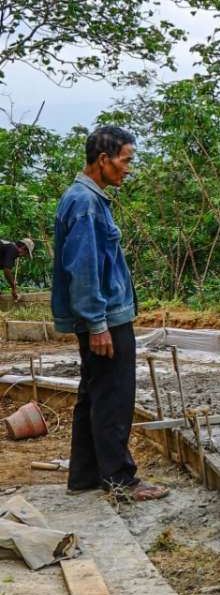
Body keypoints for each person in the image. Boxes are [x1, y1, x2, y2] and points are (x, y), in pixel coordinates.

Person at [51, 126, 167, 500]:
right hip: (105, 319)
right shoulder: (85, 203)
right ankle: (120, 479)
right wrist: (98, 323)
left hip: (101, 317)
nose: (128, 169)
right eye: (125, 160)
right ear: (104, 160)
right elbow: (82, 269)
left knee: (94, 393)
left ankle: (84, 475)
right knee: (114, 396)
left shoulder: (85, 198)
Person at [0, 237, 34, 301]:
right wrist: (13, 287)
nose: (25, 256)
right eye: (26, 253)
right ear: (23, 247)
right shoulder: (13, 249)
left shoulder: (8, 247)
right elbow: (7, 270)